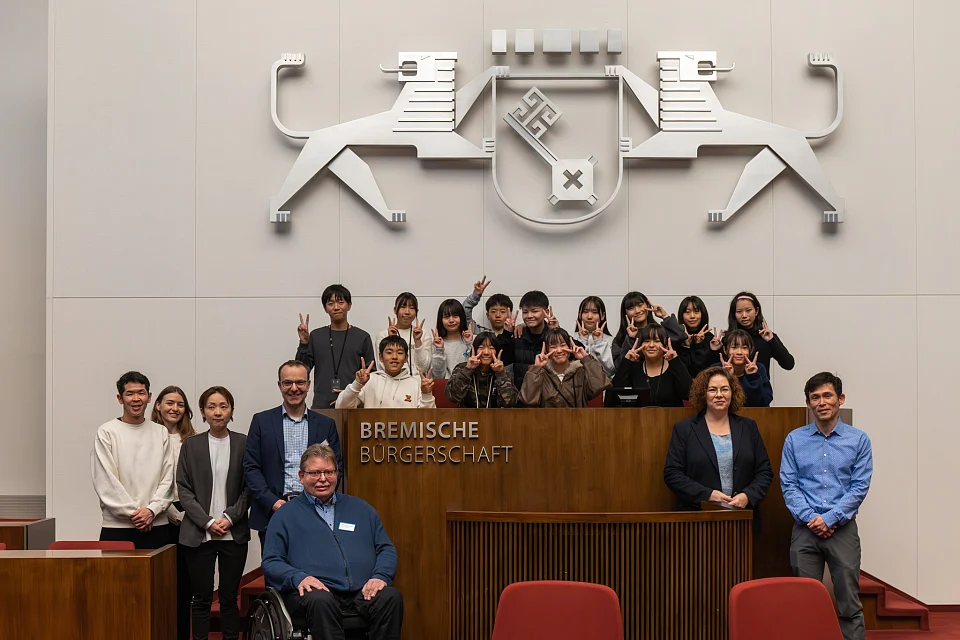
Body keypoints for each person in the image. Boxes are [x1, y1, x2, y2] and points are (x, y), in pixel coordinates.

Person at [262, 444, 403, 640]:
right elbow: (271, 561)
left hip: (362, 590)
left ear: (337, 473)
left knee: (390, 597)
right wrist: (298, 577)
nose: (322, 479)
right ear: (301, 476)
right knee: (320, 600)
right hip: (315, 593)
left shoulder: (361, 509)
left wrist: (380, 576)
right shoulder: (284, 515)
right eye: (314, 473)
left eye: (328, 472)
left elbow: (386, 549)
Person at [780, 372, 872, 640]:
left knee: (849, 604)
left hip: (842, 530)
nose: (821, 402)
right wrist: (812, 519)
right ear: (808, 403)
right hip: (804, 531)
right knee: (803, 603)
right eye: (815, 397)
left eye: (827, 395)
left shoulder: (859, 440)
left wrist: (830, 518)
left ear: (840, 399)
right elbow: (789, 485)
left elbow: (859, 488)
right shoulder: (794, 440)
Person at [244, 360, 343, 549]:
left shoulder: (325, 424)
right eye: (288, 383)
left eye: (300, 382)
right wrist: (273, 502)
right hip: (272, 511)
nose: (294, 388)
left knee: (315, 570)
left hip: (317, 510)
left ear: (308, 385)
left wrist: (319, 498)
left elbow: (337, 466)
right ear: (279, 385)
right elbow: (251, 468)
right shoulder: (261, 422)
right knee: (275, 572)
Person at [177, 386, 250, 640]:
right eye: (211, 407)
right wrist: (207, 522)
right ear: (202, 412)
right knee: (201, 599)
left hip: (234, 534)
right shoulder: (191, 445)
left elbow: (248, 487)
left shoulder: (244, 443)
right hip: (199, 534)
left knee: (230, 599)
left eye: (223, 406)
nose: (217, 412)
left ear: (231, 411)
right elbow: (184, 489)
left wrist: (229, 518)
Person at [663, 367, 773, 534]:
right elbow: (672, 474)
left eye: (725, 389)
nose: (719, 395)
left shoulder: (748, 427)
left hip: (740, 520)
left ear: (732, 393)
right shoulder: (684, 429)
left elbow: (764, 471)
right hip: (697, 521)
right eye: (713, 389)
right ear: (703, 393)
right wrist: (708, 494)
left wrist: (747, 496)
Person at [91, 371, 174, 548]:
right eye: (129, 394)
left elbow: (168, 478)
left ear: (149, 397)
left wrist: (151, 510)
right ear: (120, 399)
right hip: (117, 527)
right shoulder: (107, 432)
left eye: (141, 393)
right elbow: (105, 481)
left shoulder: (161, 433)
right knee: (114, 577)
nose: (136, 399)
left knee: (158, 577)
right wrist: (136, 514)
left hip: (157, 525)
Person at [151, 386, 196, 640]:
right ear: (157, 405)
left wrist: (187, 514)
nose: (174, 409)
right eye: (169, 403)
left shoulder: (193, 439)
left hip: (188, 514)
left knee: (184, 584)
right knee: (161, 583)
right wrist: (167, 512)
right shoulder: (149, 437)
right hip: (158, 514)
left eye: (180, 404)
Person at [296, 284, 377, 408]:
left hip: (353, 405)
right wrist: (304, 343)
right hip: (321, 405)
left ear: (349, 305)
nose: (336, 307)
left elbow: (371, 376)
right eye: (331, 303)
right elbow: (301, 370)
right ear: (325, 308)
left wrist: (351, 394)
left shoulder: (362, 337)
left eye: (341, 302)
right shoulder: (316, 336)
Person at [519, 328, 611, 408]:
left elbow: (600, 385)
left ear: (570, 347)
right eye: (553, 347)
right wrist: (536, 368)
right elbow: (528, 400)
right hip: (547, 425)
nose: (559, 350)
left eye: (563, 345)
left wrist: (586, 359)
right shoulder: (540, 374)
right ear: (546, 350)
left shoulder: (580, 371)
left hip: (578, 424)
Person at [336, 336, 437, 408]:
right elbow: (341, 407)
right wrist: (357, 384)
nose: (394, 357)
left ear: (406, 358)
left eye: (400, 353)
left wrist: (427, 394)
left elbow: (427, 419)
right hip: (373, 435)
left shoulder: (416, 383)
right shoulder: (370, 380)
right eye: (389, 352)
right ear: (380, 357)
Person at [613, 325, 692, 407]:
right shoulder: (634, 368)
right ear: (640, 345)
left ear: (666, 345)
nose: (651, 345)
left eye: (657, 341)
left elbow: (689, 394)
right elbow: (614, 398)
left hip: (671, 418)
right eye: (647, 341)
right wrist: (626, 361)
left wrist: (675, 361)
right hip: (638, 418)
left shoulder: (675, 366)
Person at [445, 332, 519, 408]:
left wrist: (500, 374)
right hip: (467, 418)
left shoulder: (503, 372)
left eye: (491, 348)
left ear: (497, 351)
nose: (486, 352)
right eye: (481, 348)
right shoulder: (462, 368)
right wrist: (468, 370)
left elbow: (511, 403)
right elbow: (452, 397)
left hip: (494, 418)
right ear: (474, 349)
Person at [726, 291, 794, 374]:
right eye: (739, 311)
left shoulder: (766, 337)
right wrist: (713, 350)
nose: (744, 315)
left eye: (748, 310)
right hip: (732, 385)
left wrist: (772, 341)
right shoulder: (728, 338)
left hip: (761, 386)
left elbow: (789, 364)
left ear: (756, 311)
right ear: (734, 314)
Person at [611, 291, 686, 363]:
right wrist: (631, 339)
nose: (637, 311)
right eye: (631, 308)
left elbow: (680, 337)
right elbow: (618, 367)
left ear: (647, 305)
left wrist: (665, 316)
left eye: (640, 305)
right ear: (625, 313)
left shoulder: (659, 332)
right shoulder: (620, 339)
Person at [510, 290, 560, 389]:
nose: (529, 316)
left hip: (549, 397)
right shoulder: (517, 335)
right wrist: (507, 333)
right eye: (525, 312)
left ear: (546, 312)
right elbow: (503, 359)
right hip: (522, 396)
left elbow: (572, 354)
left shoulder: (553, 335)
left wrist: (556, 331)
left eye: (534, 311)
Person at [461, 276, 515, 366]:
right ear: (487, 316)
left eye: (502, 311)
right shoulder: (479, 332)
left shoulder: (516, 334)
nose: (497, 315)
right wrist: (475, 296)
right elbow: (463, 314)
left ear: (509, 314)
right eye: (493, 311)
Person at [373, 292, 431, 375]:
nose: (407, 312)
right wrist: (391, 339)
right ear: (395, 310)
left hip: (418, 384)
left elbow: (424, 368)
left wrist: (418, 341)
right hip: (393, 383)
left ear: (416, 311)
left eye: (411, 308)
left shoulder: (423, 334)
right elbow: (382, 365)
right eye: (403, 307)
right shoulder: (383, 335)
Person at [719, 330, 773, 407]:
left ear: (751, 350)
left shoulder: (758, 368)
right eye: (734, 347)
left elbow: (765, 400)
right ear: (725, 350)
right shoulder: (717, 369)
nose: (739, 352)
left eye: (744, 348)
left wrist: (752, 377)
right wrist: (727, 377)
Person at [430, 299, 473, 378]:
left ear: (462, 317)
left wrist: (470, 344)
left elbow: (475, 369)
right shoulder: (436, 344)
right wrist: (439, 350)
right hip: (445, 388)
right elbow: (438, 376)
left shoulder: (471, 341)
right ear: (441, 320)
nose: (451, 320)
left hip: (469, 388)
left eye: (455, 316)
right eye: (446, 317)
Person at [675, 296, 716, 379]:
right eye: (687, 312)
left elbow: (704, 370)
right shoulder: (676, 339)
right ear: (681, 315)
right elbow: (680, 371)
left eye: (696, 312)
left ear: (702, 314)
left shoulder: (710, 339)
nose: (692, 316)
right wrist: (686, 347)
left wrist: (699, 345)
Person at [575, 296, 615, 377]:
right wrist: (582, 341)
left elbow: (610, 371)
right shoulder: (572, 339)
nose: (589, 316)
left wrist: (599, 342)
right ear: (579, 314)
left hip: (603, 388)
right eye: (585, 312)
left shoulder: (611, 341)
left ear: (602, 315)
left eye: (594, 312)